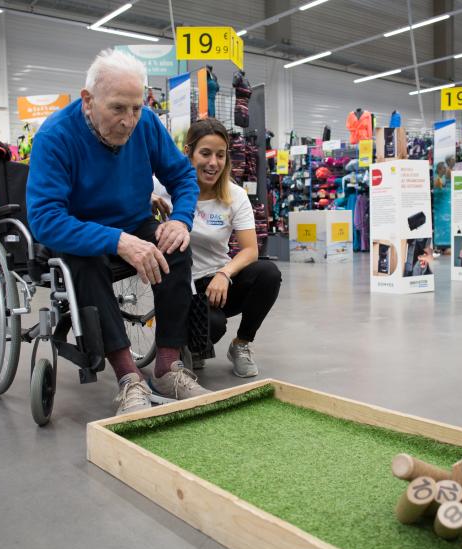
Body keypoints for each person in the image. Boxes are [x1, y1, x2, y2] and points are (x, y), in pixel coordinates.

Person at [27, 49, 209, 416]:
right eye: (117, 109)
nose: (129, 121)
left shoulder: (146, 124)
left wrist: (181, 219)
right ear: (88, 101)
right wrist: (116, 241)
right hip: (79, 231)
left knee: (175, 247)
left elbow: (182, 176)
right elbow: (45, 219)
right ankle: (129, 377)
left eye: (136, 108)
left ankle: (168, 367)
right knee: (86, 263)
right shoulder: (55, 137)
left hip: (132, 220)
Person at [179, 118, 282, 377]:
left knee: (268, 273)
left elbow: (250, 250)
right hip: (182, 285)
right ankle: (192, 344)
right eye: (205, 153)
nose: (213, 163)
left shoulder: (234, 195)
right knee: (212, 326)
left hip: (219, 282)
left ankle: (242, 345)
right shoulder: (171, 188)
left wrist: (224, 274)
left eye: (220, 155)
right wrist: (150, 196)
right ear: (188, 152)